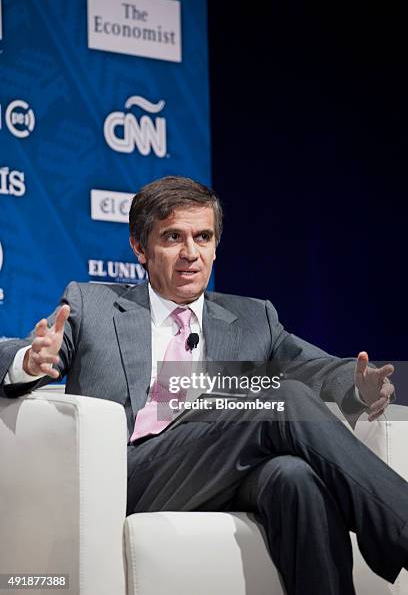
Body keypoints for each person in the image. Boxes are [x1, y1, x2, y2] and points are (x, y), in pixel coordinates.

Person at [0, 175, 407, 595]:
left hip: (223, 473)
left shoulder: (253, 319)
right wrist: (29, 360)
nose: (190, 253)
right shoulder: (94, 306)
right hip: (133, 474)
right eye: (173, 237)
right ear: (140, 247)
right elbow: (16, 351)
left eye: (203, 237)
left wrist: (357, 386)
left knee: (295, 476)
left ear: (215, 246)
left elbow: (315, 368)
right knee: (282, 399)